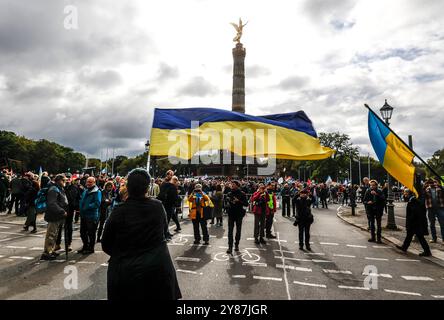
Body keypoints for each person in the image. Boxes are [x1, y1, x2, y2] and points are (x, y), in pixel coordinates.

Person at [101, 168, 182, 300]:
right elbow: (164, 230)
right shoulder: (157, 207)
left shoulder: (119, 211)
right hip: (157, 269)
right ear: (147, 188)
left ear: (128, 187)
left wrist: (122, 254)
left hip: (126, 270)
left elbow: (106, 244)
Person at [396, 188, 432, 257]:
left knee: (420, 237)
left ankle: (427, 251)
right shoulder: (412, 200)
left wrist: (410, 222)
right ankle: (404, 247)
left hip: (415, 223)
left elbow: (414, 213)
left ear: (409, 194)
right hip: (415, 223)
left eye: (405, 193)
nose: (404, 194)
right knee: (409, 236)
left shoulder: (413, 200)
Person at [41, 174, 68, 261]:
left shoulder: (58, 188)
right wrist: (62, 211)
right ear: (59, 180)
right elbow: (52, 203)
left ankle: (50, 250)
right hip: (54, 215)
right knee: (51, 234)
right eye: (64, 180)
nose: (65, 182)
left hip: (57, 216)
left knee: (54, 234)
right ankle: (47, 252)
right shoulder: (54, 189)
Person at [78, 177, 102, 254]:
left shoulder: (97, 192)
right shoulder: (85, 190)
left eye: (90, 182)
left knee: (91, 233)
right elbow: (82, 200)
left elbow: (97, 203)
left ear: (94, 183)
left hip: (91, 216)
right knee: (82, 232)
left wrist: (86, 207)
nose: (88, 183)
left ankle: (90, 248)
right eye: (88, 182)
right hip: (83, 215)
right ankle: (85, 246)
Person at [226, 180, 248, 254]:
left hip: (239, 214)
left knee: (238, 231)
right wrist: (227, 203)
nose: (232, 185)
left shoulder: (242, 194)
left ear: (237, 185)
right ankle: (230, 247)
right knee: (230, 231)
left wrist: (238, 201)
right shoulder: (229, 193)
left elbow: (246, 204)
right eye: (231, 184)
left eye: (234, 184)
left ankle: (236, 245)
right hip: (231, 214)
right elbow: (225, 203)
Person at [158, 171, 178, 239]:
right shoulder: (165, 183)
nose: (172, 176)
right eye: (170, 175)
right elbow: (162, 194)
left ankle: (167, 233)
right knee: (166, 220)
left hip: (170, 204)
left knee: (168, 219)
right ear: (167, 175)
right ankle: (164, 235)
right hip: (166, 204)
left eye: (172, 175)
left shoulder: (171, 183)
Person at [424, 179, 444, 243]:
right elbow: (421, 193)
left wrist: (439, 185)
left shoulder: (439, 188)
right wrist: (425, 184)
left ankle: (443, 239)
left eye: (433, 182)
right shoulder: (426, 189)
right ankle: (434, 238)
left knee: (442, 224)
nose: (432, 183)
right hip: (430, 208)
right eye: (430, 182)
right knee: (432, 224)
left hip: (440, 208)